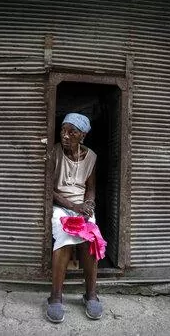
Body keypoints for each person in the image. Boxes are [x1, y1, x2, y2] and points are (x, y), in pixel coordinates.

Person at [46, 113, 105, 323]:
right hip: (60, 206)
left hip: (80, 207)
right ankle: (55, 297)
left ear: (83, 135)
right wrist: (73, 206)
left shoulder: (91, 157)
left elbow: (91, 189)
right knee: (64, 237)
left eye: (72, 132)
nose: (65, 135)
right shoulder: (54, 152)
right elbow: (48, 189)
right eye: (63, 130)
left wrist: (88, 205)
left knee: (91, 239)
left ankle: (90, 295)